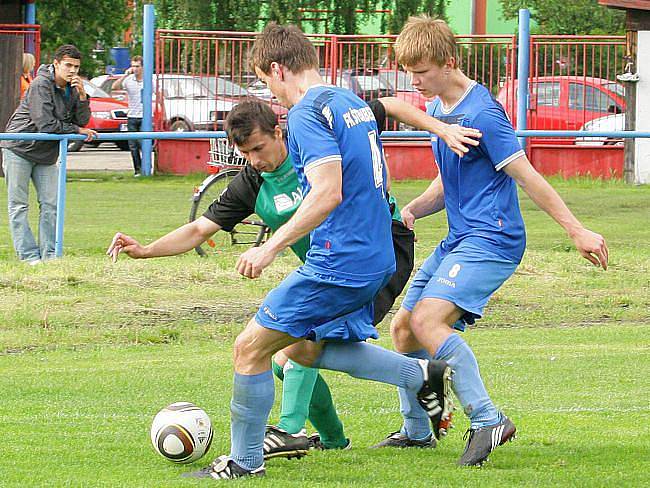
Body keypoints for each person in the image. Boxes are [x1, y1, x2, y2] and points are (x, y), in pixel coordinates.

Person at [106, 97, 481, 460]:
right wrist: (146, 250)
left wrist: (441, 129)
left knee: (289, 341)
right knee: (301, 349)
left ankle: (290, 429)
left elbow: (391, 106)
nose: (255, 161)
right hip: (330, 268)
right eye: (246, 155)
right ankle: (406, 384)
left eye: (258, 148)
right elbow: (200, 229)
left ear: (278, 132)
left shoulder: (315, 142)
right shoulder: (253, 181)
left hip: (377, 250)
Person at [167, 23, 462, 480]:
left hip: (339, 261)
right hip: (374, 255)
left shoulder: (306, 114)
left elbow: (327, 193)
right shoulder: (346, 102)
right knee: (305, 349)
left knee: (249, 349)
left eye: (266, 81)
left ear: (278, 68)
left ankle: (244, 464)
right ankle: (417, 375)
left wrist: (270, 247)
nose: (271, 93)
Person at [372, 15, 609, 467]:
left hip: (493, 240)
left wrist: (575, 229)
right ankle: (419, 431)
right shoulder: (441, 110)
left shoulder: (483, 112)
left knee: (428, 322)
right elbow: (451, 181)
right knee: (403, 330)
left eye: (421, 72)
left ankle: (487, 419)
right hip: (460, 238)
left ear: (449, 61)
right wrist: (415, 208)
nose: (414, 81)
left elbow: (527, 175)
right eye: (409, 72)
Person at [2, 44, 96, 264]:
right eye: (68, 65)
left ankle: (50, 256)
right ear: (56, 64)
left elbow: (82, 121)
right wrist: (76, 130)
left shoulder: (73, 88)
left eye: (76, 66)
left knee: (51, 205)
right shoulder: (40, 84)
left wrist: (82, 96)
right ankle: (28, 257)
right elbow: (45, 124)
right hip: (19, 147)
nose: (72, 71)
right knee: (18, 205)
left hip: (45, 154)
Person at [112, 56, 144, 176]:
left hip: (144, 116)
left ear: (142, 67)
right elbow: (114, 87)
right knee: (133, 145)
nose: (135, 69)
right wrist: (125, 75)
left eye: (137, 66)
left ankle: (148, 167)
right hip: (132, 116)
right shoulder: (129, 79)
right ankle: (138, 170)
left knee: (144, 144)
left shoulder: (148, 80)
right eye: (133, 66)